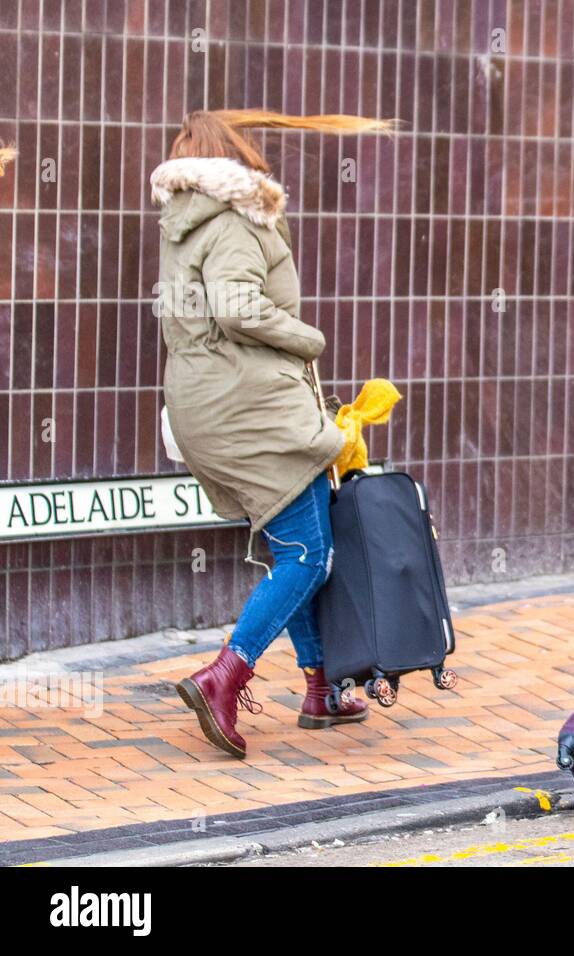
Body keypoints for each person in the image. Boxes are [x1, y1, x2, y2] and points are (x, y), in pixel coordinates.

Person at [155, 109, 392, 758]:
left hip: (210, 405)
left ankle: (321, 690)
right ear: (237, 160)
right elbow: (237, 306)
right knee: (309, 555)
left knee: (300, 549)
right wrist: (306, 338)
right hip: (251, 410)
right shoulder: (232, 220)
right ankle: (225, 675)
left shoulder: (185, 223)